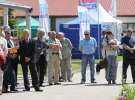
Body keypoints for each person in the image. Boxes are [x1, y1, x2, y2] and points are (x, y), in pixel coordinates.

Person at [0, 27, 8, 95]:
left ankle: (0, 89)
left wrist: (4, 57)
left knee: (1, 75)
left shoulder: (3, 40)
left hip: (1, 60)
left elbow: (6, 50)